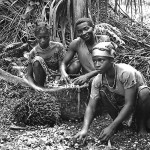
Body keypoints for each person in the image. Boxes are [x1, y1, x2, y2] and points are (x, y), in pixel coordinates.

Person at [74, 42, 150, 142]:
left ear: (111, 60)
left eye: (101, 60)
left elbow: (129, 104)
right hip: (122, 102)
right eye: (94, 61)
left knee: (145, 92)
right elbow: (91, 106)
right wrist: (84, 129)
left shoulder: (125, 73)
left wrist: (111, 127)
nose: (97, 64)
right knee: (102, 92)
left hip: (139, 104)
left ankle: (141, 126)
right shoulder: (98, 80)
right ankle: (118, 125)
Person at [60, 18, 122, 85]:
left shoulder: (103, 40)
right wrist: (63, 73)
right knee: (75, 64)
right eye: (80, 31)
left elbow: (107, 65)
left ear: (93, 28)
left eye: (86, 29)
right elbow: (64, 63)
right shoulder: (76, 43)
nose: (83, 33)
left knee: (97, 80)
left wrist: (87, 76)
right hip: (86, 78)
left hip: (102, 75)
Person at [26, 22, 67, 90]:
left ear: (49, 35)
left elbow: (61, 66)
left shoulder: (58, 47)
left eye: (46, 37)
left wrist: (57, 81)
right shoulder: (33, 52)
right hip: (41, 81)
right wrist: (34, 86)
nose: (43, 40)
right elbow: (29, 75)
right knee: (37, 61)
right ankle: (41, 88)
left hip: (58, 78)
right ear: (36, 37)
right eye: (40, 37)